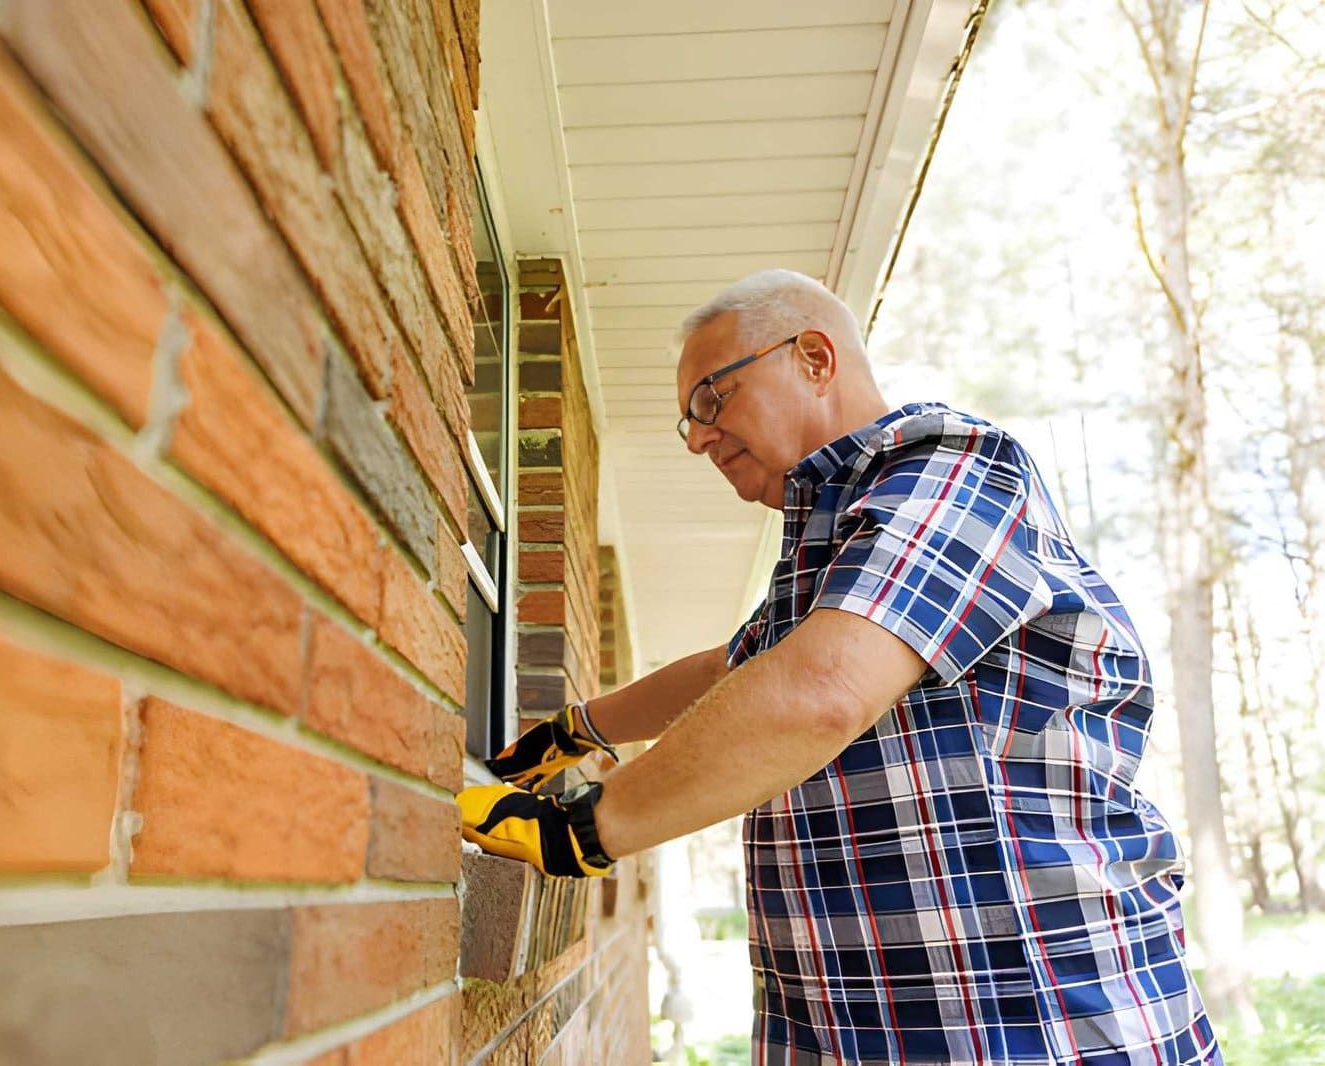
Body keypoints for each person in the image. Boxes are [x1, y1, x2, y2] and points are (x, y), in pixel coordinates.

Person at [458, 270, 1221, 1064]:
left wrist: (583, 828)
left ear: (815, 358)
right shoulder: (834, 557)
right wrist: (575, 730)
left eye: (712, 401)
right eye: (688, 422)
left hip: (1033, 1025)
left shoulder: (953, 473)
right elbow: (735, 673)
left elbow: (816, 692)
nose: (697, 440)